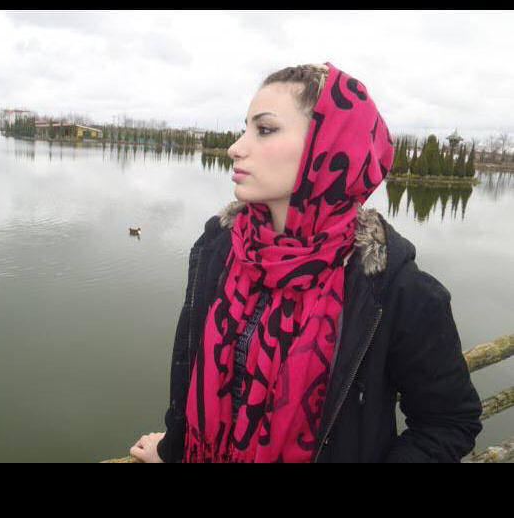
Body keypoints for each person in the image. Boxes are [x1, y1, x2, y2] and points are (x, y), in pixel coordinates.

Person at [130, 62, 483, 463]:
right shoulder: (221, 248)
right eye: (245, 129)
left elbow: (449, 423)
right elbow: (189, 373)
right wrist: (173, 450)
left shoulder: (392, 288)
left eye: (264, 129)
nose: (235, 147)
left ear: (329, 147)